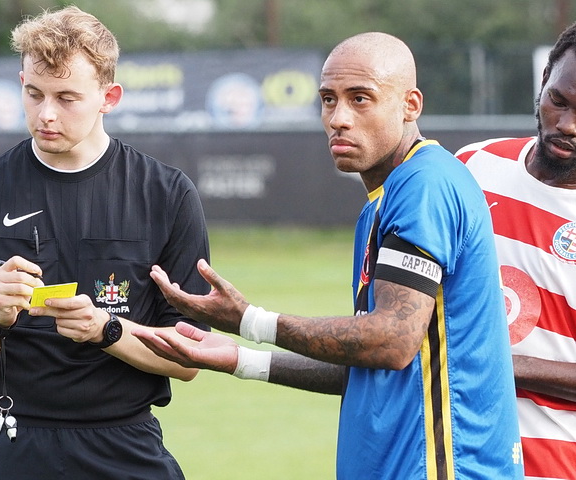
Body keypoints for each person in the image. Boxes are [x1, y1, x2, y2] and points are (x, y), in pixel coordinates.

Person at [133, 32, 525, 479]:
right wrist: (239, 359)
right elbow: (369, 368)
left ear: (410, 105)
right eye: (328, 99)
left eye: (361, 99)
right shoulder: (383, 199)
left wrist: (250, 320)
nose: (338, 118)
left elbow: (390, 341)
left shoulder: (425, 184)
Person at [0, 6, 210, 480]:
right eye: (33, 94)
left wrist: (107, 331)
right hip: (12, 443)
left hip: (125, 444)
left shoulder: (166, 194)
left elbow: (189, 360)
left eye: (67, 97)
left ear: (109, 96)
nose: (46, 113)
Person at [454, 23, 576, 480]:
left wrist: (492, 361)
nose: (566, 126)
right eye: (558, 100)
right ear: (544, 77)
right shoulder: (472, 166)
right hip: (450, 457)